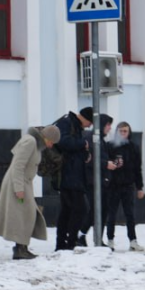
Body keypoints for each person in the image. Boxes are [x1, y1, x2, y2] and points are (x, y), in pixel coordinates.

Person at [0, 125, 61, 260]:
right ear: (46, 137)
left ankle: (22, 247)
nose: (51, 145)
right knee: (24, 214)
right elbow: (18, 165)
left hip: (25, 183)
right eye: (51, 142)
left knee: (26, 215)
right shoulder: (30, 142)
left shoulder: (36, 144)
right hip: (17, 183)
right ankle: (20, 249)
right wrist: (19, 189)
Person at [53, 107, 93, 251]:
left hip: (73, 175)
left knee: (68, 210)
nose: (90, 126)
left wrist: (85, 154)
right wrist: (83, 144)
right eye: (90, 122)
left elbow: (73, 150)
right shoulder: (67, 123)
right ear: (84, 118)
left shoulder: (74, 125)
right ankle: (69, 242)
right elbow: (63, 142)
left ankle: (63, 243)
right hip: (68, 175)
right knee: (80, 209)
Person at [104, 121, 145, 251]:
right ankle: (110, 240)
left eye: (125, 131)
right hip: (113, 185)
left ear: (129, 132)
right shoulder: (110, 146)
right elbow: (105, 164)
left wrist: (140, 187)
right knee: (112, 214)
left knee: (130, 214)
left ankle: (133, 240)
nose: (123, 133)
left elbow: (138, 168)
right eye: (120, 131)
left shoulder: (133, 147)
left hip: (128, 185)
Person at [80, 114, 114, 247]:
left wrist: (110, 163)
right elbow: (89, 160)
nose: (110, 128)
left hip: (101, 181)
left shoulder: (101, 140)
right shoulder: (91, 139)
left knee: (103, 210)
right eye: (108, 125)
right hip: (93, 182)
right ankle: (81, 235)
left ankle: (98, 239)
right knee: (95, 210)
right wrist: (106, 164)